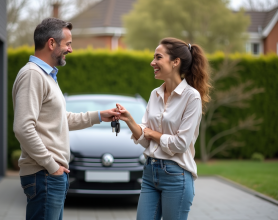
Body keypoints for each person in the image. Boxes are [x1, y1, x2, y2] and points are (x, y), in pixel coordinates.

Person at [12, 18, 120, 220]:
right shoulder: (32, 75)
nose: (70, 49)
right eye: (68, 44)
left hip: (48, 175)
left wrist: (98, 116)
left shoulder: (47, 76)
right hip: (44, 175)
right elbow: (23, 128)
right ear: (51, 43)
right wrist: (52, 166)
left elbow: (60, 119)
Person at [117, 37, 211, 220]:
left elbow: (181, 144)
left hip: (177, 176)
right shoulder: (155, 94)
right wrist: (129, 120)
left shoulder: (192, 97)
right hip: (150, 172)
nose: (153, 62)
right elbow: (144, 140)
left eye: (158, 57)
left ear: (175, 62)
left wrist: (152, 133)